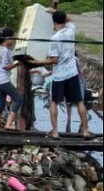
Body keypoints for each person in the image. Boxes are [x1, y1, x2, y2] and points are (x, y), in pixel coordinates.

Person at [28, 10, 91, 139]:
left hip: (59, 75)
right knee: (79, 101)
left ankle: (55, 132)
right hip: (72, 73)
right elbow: (70, 19)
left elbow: (54, 60)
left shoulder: (54, 38)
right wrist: (56, 11)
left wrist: (37, 61)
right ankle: (85, 131)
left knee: (54, 102)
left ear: (54, 22)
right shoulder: (71, 30)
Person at [0, 27, 22, 130]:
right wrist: (17, 63)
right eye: (12, 38)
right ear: (7, 38)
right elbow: (6, 66)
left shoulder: (4, 49)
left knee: (1, 104)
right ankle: (9, 123)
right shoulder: (5, 51)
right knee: (18, 99)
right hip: (4, 80)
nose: (13, 40)